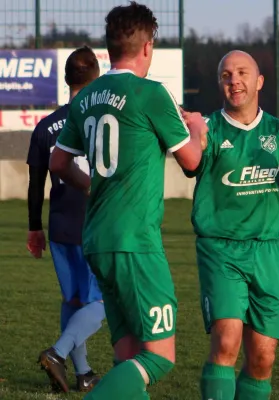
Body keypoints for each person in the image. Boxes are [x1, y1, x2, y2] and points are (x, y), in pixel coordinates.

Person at [49, 2, 207, 399]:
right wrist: (199, 129)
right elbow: (192, 163)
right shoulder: (151, 93)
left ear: (109, 48)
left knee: (128, 355)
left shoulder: (88, 96)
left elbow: (58, 161)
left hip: (97, 238)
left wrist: (91, 185)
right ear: (147, 46)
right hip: (135, 241)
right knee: (160, 357)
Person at [183, 50, 279, 400]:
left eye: (241, 73)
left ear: (259, 81)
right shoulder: (208, 129)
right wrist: (193, 136)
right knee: (226, 341)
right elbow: (190, 165)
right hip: (220, 248)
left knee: (263, 358)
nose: (234, 80)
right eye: (226, 75)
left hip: (268, 252)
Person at [27, 46, 105, 394]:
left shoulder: (45, 127)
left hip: (59, 224)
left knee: (72, 301)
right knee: (104, 302)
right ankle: (58, 354)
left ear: (66, 79)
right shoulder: (102, 122)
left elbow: (34, 184)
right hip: (96, 223)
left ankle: (82, 373)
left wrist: (34, 228)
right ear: (96, 79)